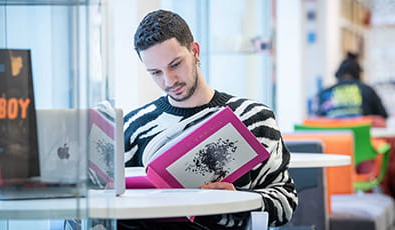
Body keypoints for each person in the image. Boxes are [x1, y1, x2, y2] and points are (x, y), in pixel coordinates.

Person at [121, 9, 297, 229]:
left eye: (175, 64)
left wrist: (239, 200)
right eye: (155, 72)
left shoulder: (253, 118)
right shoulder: (134, 126)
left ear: (195, 51)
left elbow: (286, 202)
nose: (169, 80)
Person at [316, 52, 388, 120]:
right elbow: (383, 116)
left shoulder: (324, 93)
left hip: (334, 132)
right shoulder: (367, 90)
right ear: (358, 74)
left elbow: (318, 119)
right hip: (361, 132)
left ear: (338, 74)